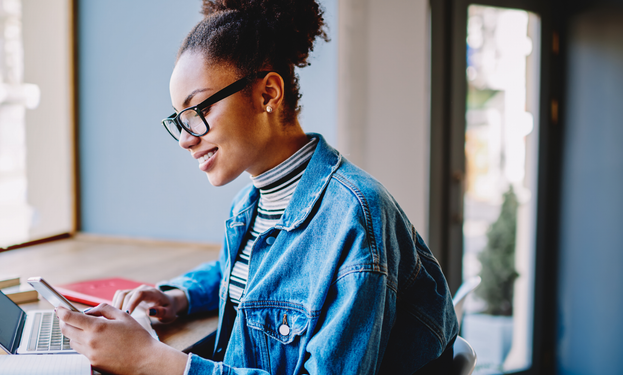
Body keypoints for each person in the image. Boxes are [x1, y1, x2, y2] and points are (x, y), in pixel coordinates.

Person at [56, 1, 459, 374]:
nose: (185, 138)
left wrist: (153, 359)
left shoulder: (356, 216)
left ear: (268, 93)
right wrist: (178, 296)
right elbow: (247, 272)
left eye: (198, 110)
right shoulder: (251, 204)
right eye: (179, 120)